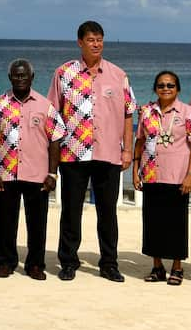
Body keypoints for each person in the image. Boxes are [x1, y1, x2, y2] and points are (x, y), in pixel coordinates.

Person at [48, 20, 135, 282]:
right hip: (73, 153)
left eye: (99, 39)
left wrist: (128, 150)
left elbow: (128, 114)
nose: (96, 44)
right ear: (80, 42)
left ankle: (109, 263)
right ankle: (68, 261)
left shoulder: (118, 75)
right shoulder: (63, 73)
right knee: (71, 211)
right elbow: (53, 114)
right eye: (90, 40)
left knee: (107, 212)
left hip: (108, 153)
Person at [0, 59, 64, 280]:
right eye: (16, 76)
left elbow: (55, 140)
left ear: (32, 77)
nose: (20, 79)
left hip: (37, 174)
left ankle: (35, 264)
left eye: (24, 75)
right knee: (5, 222)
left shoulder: (45, 105)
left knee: (37, 223)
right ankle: (6, 262)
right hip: (7, 173)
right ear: (10, 77)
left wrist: (52, 173)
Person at [133, 70, 191, 286]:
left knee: (176, 223)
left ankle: (177, 268)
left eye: (170, 85)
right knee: (153, 222)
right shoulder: (146, 112)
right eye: (161, 85)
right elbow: (140, 141)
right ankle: (157, 266)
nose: (166, 89)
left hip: (177, 174)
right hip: (152, 174)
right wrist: (135, 170)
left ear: (178, 89)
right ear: (155, 88)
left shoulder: (188, 113)